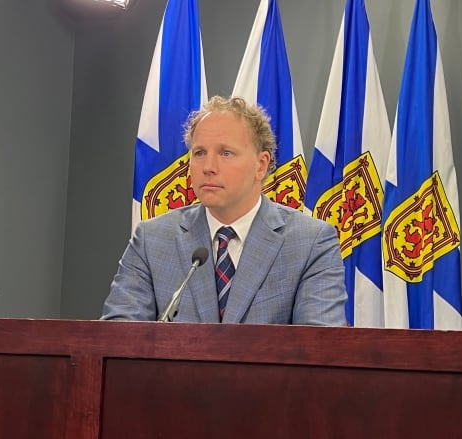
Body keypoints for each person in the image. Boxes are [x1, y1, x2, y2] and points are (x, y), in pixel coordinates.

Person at [101, 96, 347, 325]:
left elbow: (319, 352)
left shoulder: (310, 242)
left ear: (261, 165)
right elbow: (117, 340)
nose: (208, 167)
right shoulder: (152, 240)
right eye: (199, 153)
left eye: (225, 153)